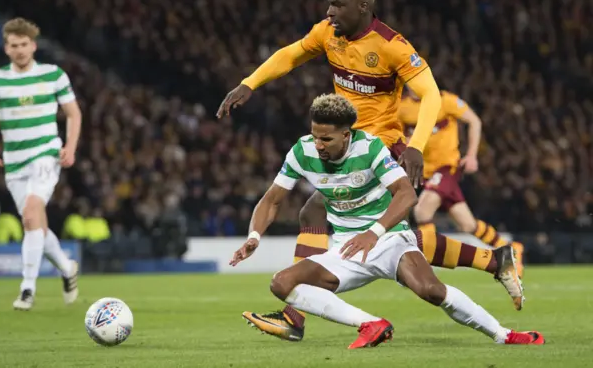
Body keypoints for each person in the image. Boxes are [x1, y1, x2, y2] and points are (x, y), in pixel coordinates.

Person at [217, 0, 523, 338]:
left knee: (321, 209)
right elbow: (292, 54)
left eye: (337, 4)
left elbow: (431, 95)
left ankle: (294, 316)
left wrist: (415, 146)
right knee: (395, 234)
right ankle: (494, 259)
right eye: (329, 3)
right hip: (348, 144)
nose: (329, 11)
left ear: (363, 7)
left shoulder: (392, 45)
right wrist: (250, 83)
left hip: (379, 145)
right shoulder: (328, 32)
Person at [230, 94, 543, 348]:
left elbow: (405, 194)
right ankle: (371, 324)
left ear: (346, 133)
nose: (319, 145)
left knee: (431, 291)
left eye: (326, 139)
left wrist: (374, 232)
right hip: (346, 250)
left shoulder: (370, 148)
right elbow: (271, 199)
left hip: (390, 239)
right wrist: (254, 236)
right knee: (281, 282)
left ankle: (504, 334)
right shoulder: (303, 151)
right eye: (315, 136)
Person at [0, 17, 80, 310]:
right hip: (15, 162)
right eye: (13, 45)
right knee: (34, 224)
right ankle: (66, 267)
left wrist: (69, 146)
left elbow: (73, 113)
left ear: (33, 45)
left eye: (24, 44)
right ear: (6, 49)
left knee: (32, 213)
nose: (19, 50)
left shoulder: (53, 75)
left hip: (46, 154)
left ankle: (27, 289)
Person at [400, 88, 526, 288]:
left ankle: (424, 265)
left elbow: (474, 121)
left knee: (422, 210)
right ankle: (510, 248)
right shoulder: (402, 107)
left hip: (447, 167)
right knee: (467, 225)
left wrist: (472, 155)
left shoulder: (445, 100)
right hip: (426, 173)